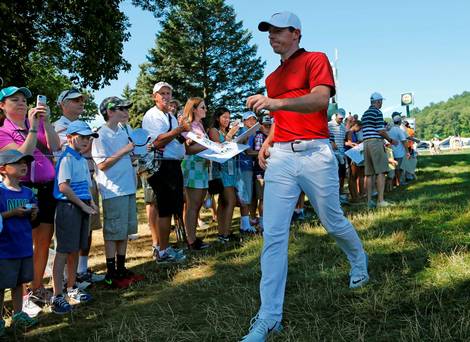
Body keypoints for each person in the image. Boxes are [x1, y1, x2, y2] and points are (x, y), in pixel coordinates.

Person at [242, 12, 369, 341]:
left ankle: (358, 260)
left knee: (332, 220)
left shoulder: (316, 59)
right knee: (273, 233)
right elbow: (282, 119)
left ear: (296, 33)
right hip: (282, 156)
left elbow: (319, 100)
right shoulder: (272, 78)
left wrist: (273, 102)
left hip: (315, 153)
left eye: (278, 31)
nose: (271, 36)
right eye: (268, 32)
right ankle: (269, 317)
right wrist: (268, 142)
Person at [0, 86, 60, 307]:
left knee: (44, 241)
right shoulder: (2, 132)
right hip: (22, 191)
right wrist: (34, 128)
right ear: (2, 106)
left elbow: (56, 146)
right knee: (24, 242)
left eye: (24, 99)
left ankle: (36, 287)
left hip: (46, 189)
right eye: (14, 100)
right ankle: (22, 294)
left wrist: (47, 122)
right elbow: (20, 156)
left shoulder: (37, 122)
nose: (21, 103)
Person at [54, 88, 103, 285]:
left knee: (85, 233)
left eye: (82, 100)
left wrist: (89, 202)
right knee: (67, 244)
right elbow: (64, 184)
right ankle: (66, 282)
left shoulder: (81, 140)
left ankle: (79, 273)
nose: (80, 103)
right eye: (75, 100)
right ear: (63, 104)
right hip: (69, 195)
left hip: (85, 185)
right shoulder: (59, 126)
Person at [92, 97, 143, 287]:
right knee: (114, 232)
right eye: (122, 109)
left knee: (125, 230)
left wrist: (137, 154)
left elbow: (128, 157)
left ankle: (121, 268)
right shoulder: (100, 135)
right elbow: (102, 164)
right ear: (110, 112)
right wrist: (125, 150)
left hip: (128, 187)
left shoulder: (124, 131)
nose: (127, 112)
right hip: (113, 190)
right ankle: (111, 272)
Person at [51, 121, 97, 313]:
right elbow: (64, 187)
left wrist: (91, 203)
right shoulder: (67, 158)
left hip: (82, 205)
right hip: (68, 207)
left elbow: (86, 186)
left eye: (88, 138)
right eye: (82, 137)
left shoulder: (81, 159)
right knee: (63, 250)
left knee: (76, 249)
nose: (86, 141)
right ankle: (57, 295)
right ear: (69, 137)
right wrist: (81, 205)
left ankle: (71, 288)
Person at [142, 82, 188, 263]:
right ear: (154, 96)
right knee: (164, 208)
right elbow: (158, 141)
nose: (166, 96)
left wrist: (185, 134)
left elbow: (177, 139)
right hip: (161, 165)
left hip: (173, 164)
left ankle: (165, 247)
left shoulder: (170, 116)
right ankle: (162, 250)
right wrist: (180, 129)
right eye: (162, 93)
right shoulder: (152, 116)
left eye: (169, 93)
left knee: (171, 207)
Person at [0, 150, 38, 334]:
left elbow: (33, 217)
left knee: (19, 283)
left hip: (23, 246)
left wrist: (33, 213)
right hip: (5, 249)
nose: (24, 165)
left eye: (25, 162)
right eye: (17, 163)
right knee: (1, 285)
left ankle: (18, 314)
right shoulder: (0, 192)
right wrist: (12, 213)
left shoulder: (28, 192)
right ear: (3, 169)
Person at [180, 97, 212, 249]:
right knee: (193, 205)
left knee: (197, 204)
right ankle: (191, 240)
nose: (205, 110)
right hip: (192, 167)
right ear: (193, 109)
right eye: (202, 107)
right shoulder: (190, 126)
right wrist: (210, 146)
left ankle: (192, 237)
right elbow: (188, 149)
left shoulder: (199, 125)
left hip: (202, 167)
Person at [208, 107, 240, 242]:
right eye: (224, 117)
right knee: (231, 201)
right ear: (217, 118)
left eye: (228, 117)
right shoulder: (213, 131)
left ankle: (223, 233)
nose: (227, 120)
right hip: (221, 170)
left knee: (223, 202)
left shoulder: (226, 131)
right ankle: (225, 234)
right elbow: (219, 148)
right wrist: (230, 135)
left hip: (231, 169)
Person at [361, 92, 397, 209]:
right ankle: (380, 201)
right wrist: (390, 140)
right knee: (381, 172)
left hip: (366, 143)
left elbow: (370, 129)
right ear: (378, 101)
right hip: (375, 143)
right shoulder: (377, 112)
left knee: (369, 174)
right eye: (381, 101)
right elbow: (380, 131)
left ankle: (369, 201)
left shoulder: (365, 114)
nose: (381, 103)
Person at [236, 111, 259, 234]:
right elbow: (248, 152)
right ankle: (245, 224)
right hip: (243, 166)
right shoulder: (244, 132)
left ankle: (246, 222)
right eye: (249, 119)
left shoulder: (252, 133)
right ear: (244, 121)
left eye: (254, 119)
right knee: (245, 195)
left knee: (247, 195)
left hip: (248, 166)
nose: (252, 121)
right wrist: (264, 153)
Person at [251, 115, 272, 231]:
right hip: (261, 170)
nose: (268, 128)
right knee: (263, 198)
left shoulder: (269, 137)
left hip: (268, 169)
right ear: (260, 126)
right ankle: (262, 222)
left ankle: (266, 220)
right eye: (265, 126)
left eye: (270, 126)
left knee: (268, 197)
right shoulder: (260, 136)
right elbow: (259, 153)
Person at [328, 108, 347, 200]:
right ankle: (334, 195)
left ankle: (340, 192)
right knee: (334, 175)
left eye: (342, 118)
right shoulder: (329, 125)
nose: (341, 119)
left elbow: (343, 140)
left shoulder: (343, 127)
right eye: (340, 118)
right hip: (332, 153)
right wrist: (331, 143)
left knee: (342, 175)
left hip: (341, 154)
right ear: (335, 115)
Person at [388, 113, 409, 186]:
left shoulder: (390, 130)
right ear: (400, 122)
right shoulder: (399, 130)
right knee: (401, 168)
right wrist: (407, 152)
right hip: (400, 152)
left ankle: (396, 182)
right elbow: (404, 141)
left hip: (392, 152)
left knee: (395, 168)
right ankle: (401, 182)